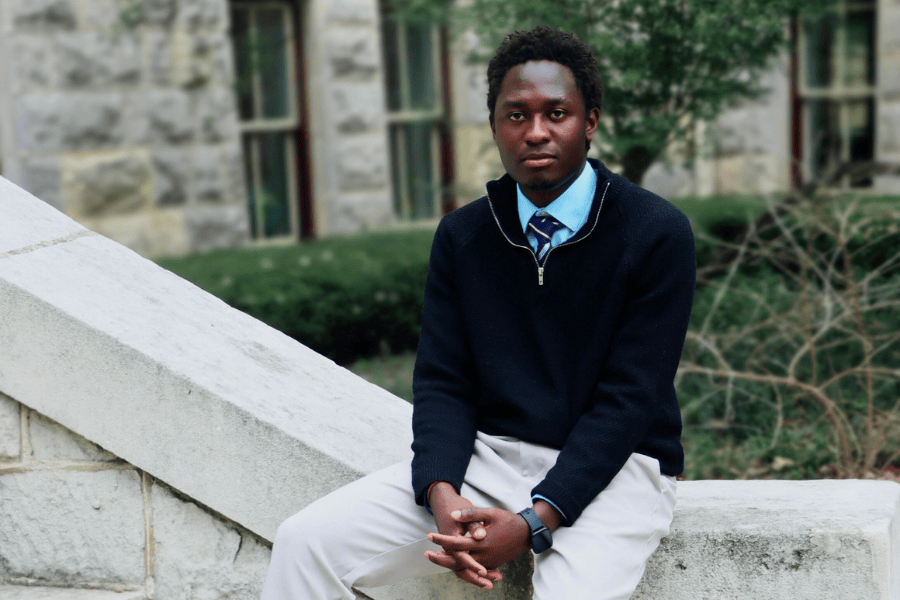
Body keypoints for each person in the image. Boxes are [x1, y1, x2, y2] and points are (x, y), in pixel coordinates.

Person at [261, 24, 695, 600]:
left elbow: (630, 399)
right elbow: (443, 381)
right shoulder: (464, 235)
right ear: (494, 124)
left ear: (589, 122)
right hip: (489, 461)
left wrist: (536, 520)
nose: (536, 132)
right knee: (305, 542)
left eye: (557, 113)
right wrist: (442, 494)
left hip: (619, 471)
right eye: (516, 115)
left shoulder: (655, 232)